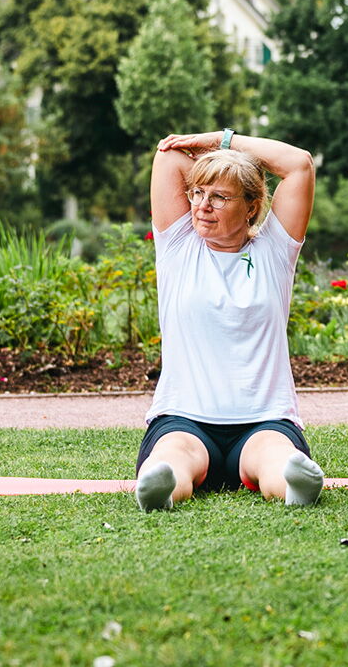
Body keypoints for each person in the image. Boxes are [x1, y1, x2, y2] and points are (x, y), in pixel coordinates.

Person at [135, 127, 323, 510]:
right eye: (197, 193)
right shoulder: (178, 244)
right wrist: (210, 156)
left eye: (219, 197)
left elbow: (299, 165)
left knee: (274, 455)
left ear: (251, 207)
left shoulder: (275, 250)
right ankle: (162, 485)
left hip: (264, 419)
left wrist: (222, 140)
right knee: (174, 454)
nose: (203, 206)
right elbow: (169, 155)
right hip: (184, 417)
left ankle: (292, 484)